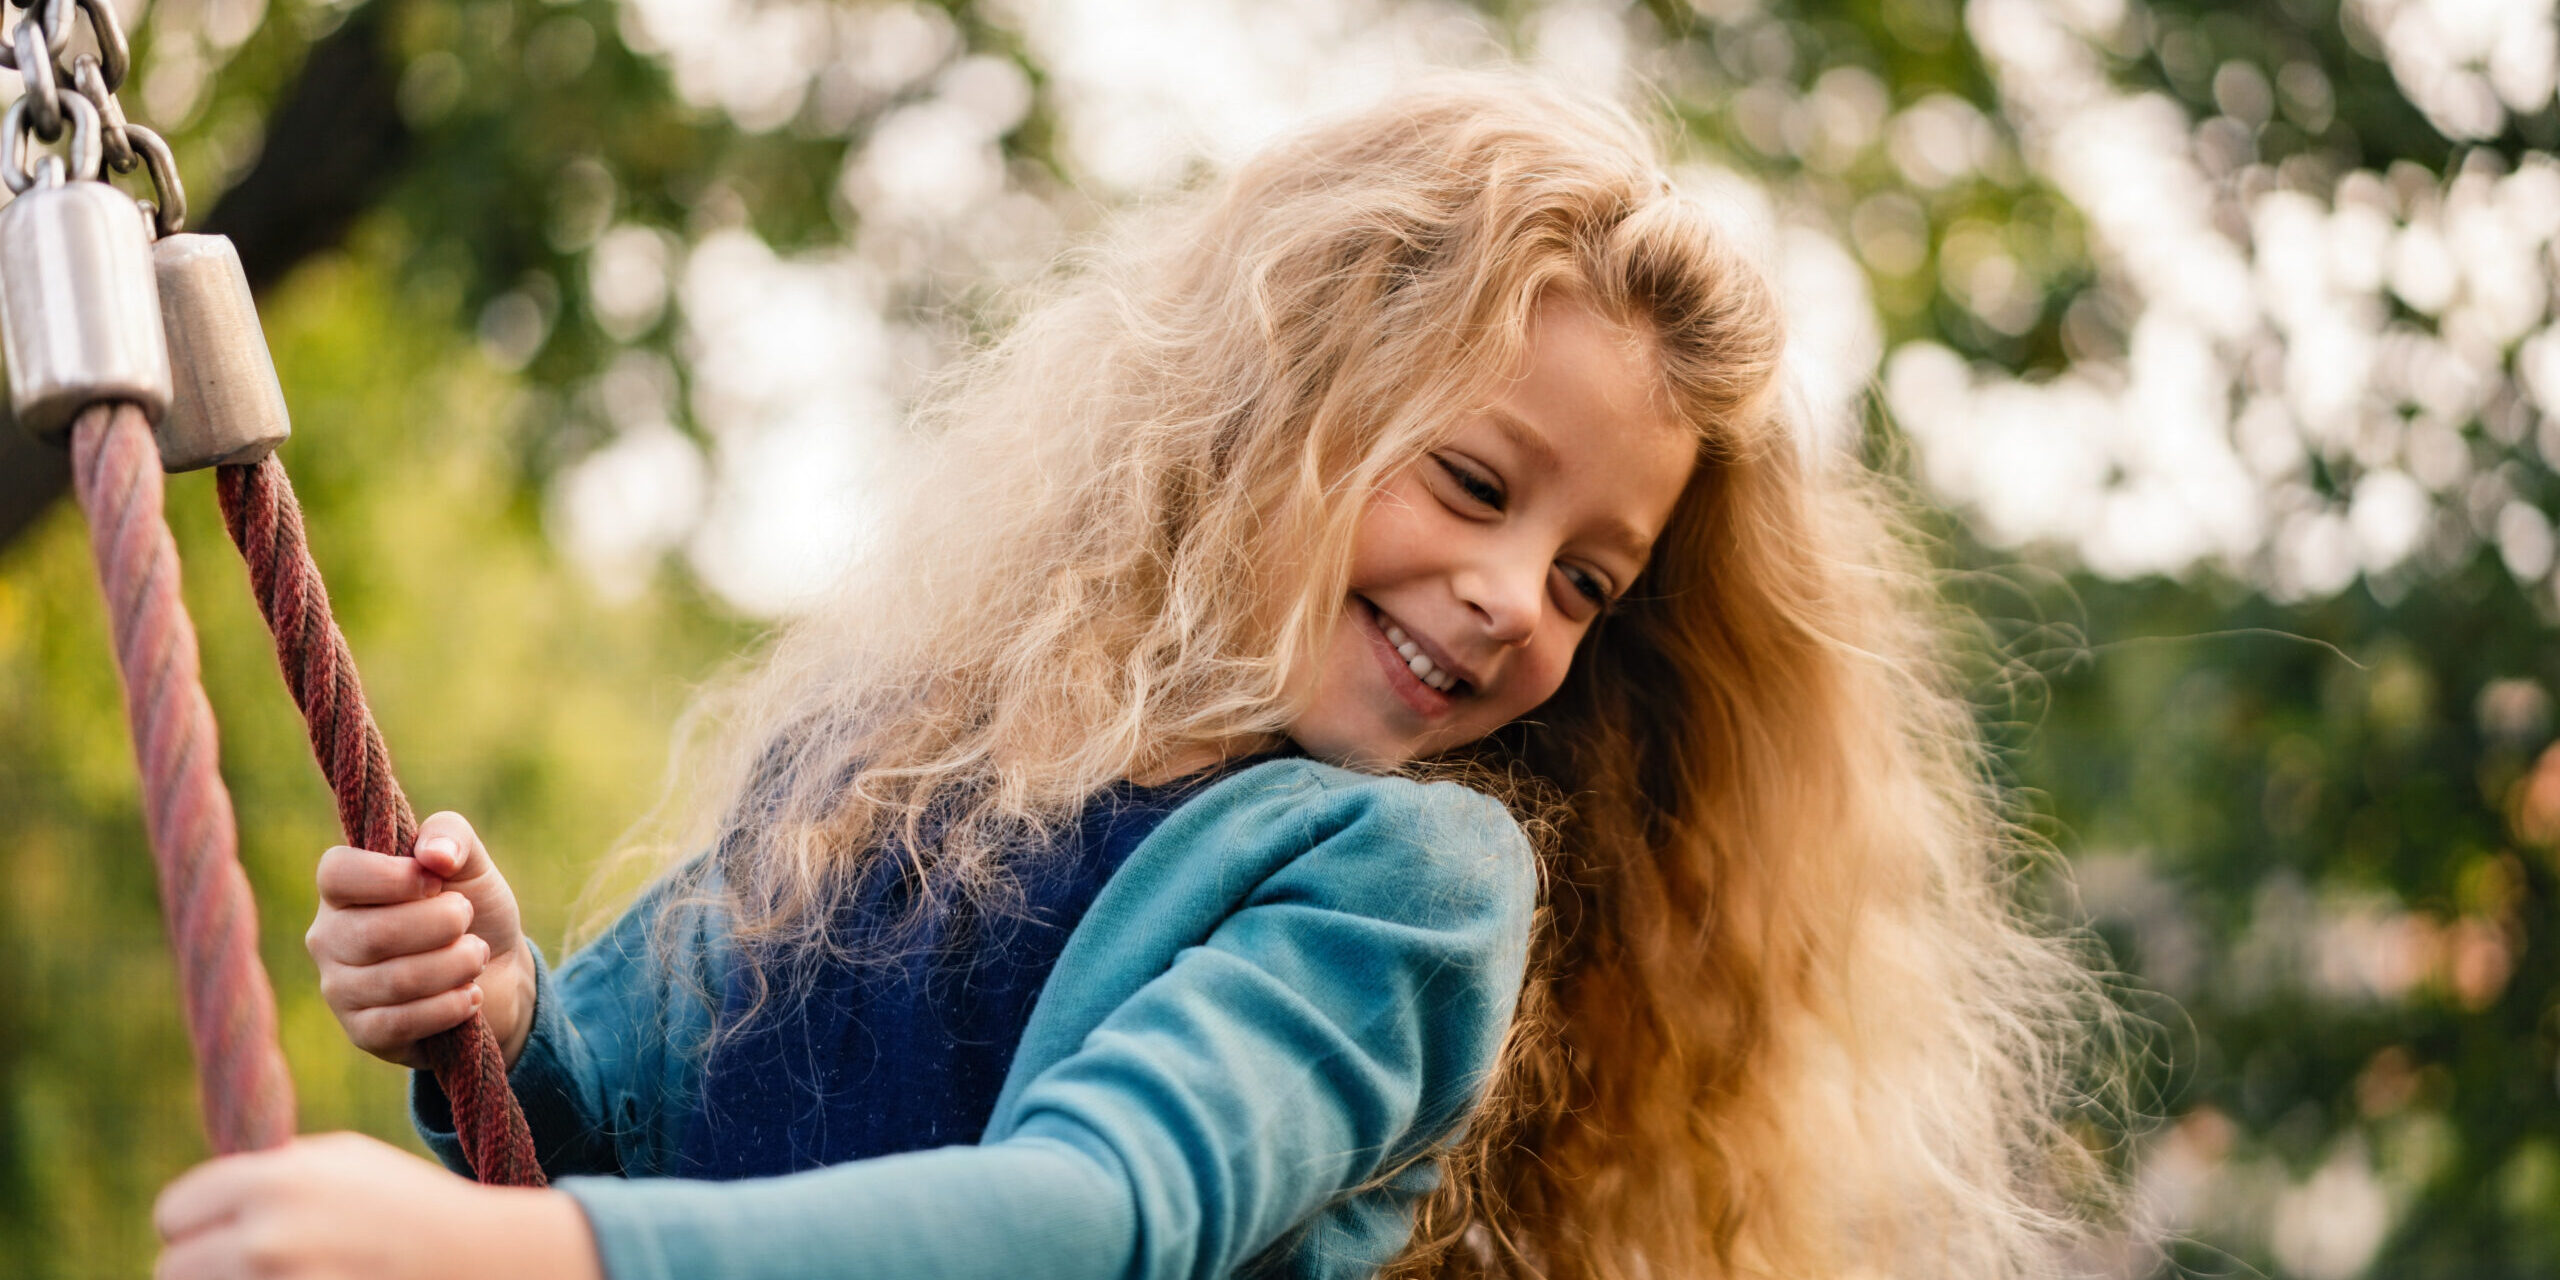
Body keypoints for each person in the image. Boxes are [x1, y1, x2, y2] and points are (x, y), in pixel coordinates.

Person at [150, 75, 2112, 1280]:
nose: (1516, 594)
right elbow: (635, 1140)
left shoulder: (1397, 890)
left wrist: (538, 1263)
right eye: (1472, 481)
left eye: (1588, 577)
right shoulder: (905, 761)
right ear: (1281, 407)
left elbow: (1091, 1219)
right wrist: (498, 1019)